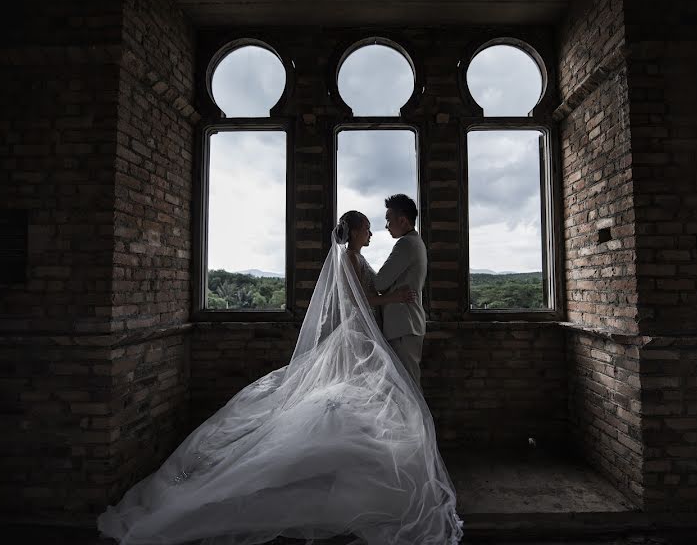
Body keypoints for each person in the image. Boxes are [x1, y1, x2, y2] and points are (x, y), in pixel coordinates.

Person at [97, 210, 463, 545]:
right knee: (344, 399)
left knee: (352, 398)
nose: (372, 232)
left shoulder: (354, 256)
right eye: (367, 227)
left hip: (358, 336)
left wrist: (390, 294)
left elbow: (366, 293)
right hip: (353, 335)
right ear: (352, 233)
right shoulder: (349, 257)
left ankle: (335, 460)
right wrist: (395, 296)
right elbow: (359, 302)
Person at [375, 194, 427, 389]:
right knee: (405, 386)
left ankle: (417, 421)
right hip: (406, 325)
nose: (387, 226)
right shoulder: (415, 242)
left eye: (389, 220)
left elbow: (380, 283)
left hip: (404, 325)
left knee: (408, 388)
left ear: (403, 220)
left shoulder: (406, 244)